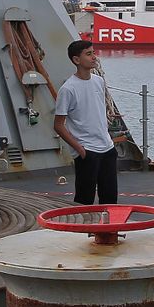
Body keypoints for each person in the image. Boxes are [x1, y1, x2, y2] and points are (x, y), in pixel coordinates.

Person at [53, 40, 118, 205]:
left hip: (107, 148)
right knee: (84, 199)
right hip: (88, 151)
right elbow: (58, 125)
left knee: (110, 198)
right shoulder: (68, 89)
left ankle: (107, 223)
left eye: (93, 53)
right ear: (76, 60)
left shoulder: (99, 81)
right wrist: (80, 150)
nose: (94, 57)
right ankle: (83, 224)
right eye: (88, 54)